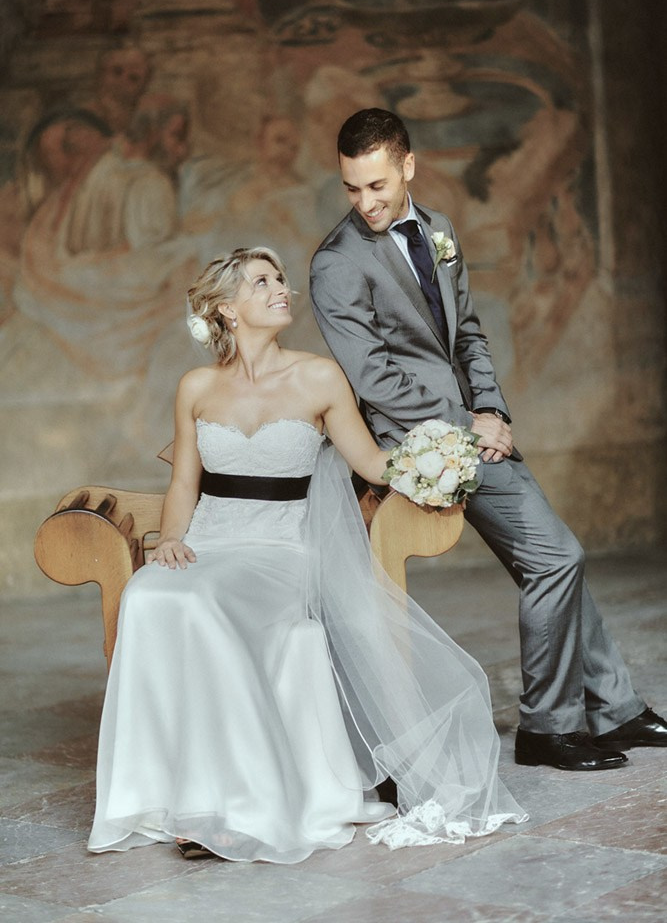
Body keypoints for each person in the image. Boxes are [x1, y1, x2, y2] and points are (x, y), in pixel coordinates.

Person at [88, 246, 526, 863]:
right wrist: (174, 541)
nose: (280, 289)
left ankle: (234, 806)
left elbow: (372, 463)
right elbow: (184, 483)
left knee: (205, 605)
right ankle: (166, 795)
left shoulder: (319, 377)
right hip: (209, 544)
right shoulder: (196, 387)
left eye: (280, 279)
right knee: (151, 595)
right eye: (261, 282)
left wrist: (443, 454)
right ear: (226, 310)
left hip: (279, 553)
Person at [309, 108, 667, 773]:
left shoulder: (438, 230)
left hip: (474, 432)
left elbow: (466, 334)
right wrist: (468, 425)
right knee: (556, 556)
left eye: (378, 186)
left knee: (554, 556)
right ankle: (547, 728)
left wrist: (493, 411)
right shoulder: (336, 263)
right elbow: (374, 378)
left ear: (407, 166)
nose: (365, 203)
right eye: (351, 188)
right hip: (414, 447)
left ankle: (614, 707)